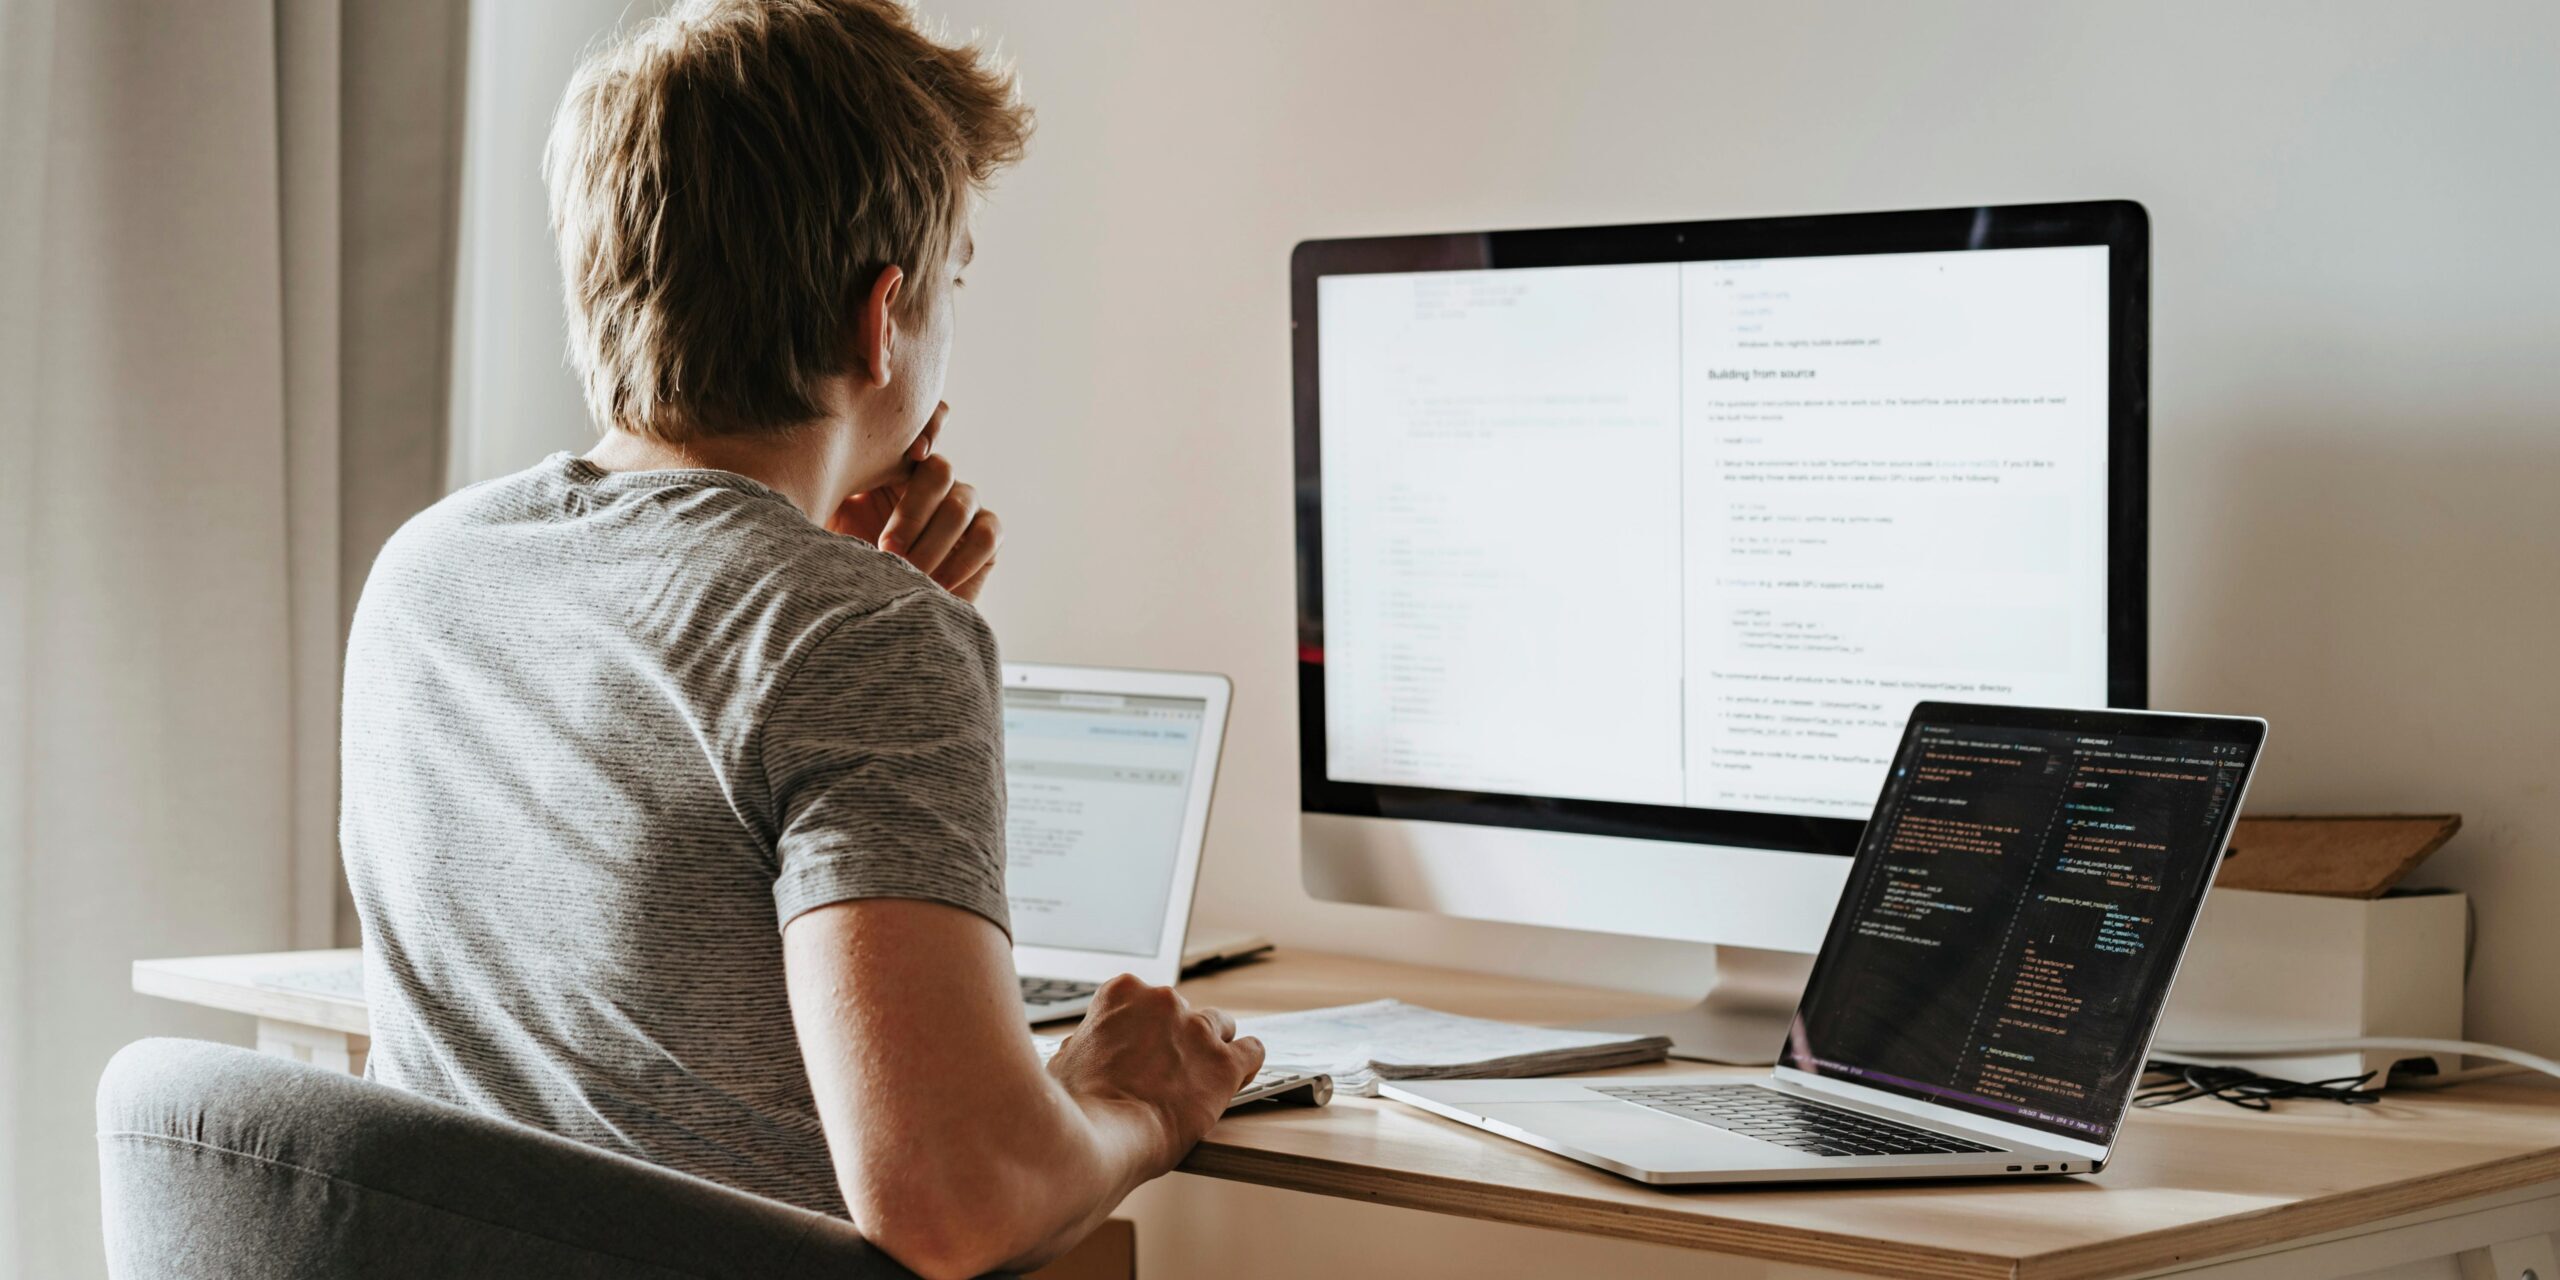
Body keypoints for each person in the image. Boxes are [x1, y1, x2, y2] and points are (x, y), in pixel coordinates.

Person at [337, 2, 1264, 1276]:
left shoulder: (426, 572)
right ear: (881, 318)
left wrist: (842, 596)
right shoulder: (857, 634)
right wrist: (1136, 1105)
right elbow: (956, 1203)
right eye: (953, 287)